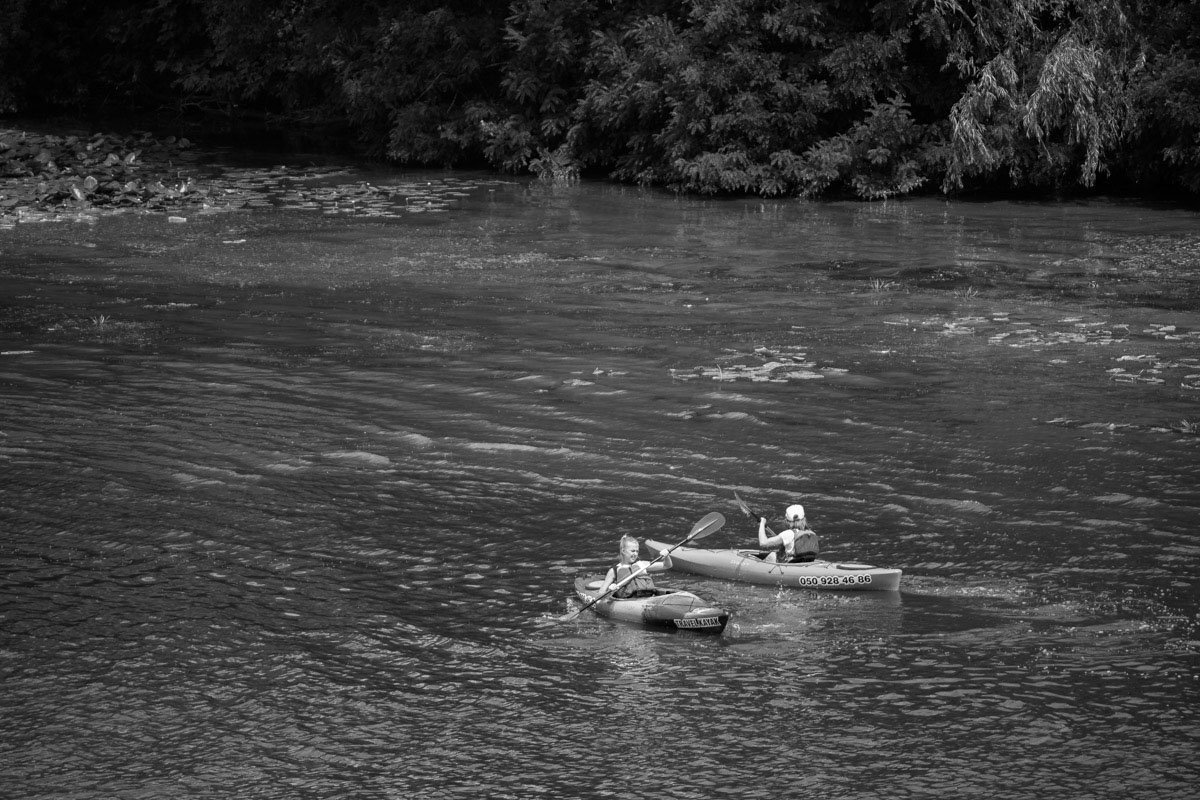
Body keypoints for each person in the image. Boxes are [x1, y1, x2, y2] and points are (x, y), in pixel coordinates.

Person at [600, 535, 672, 598]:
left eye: (637, 551)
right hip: (627, 602)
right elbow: (600, 593)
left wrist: (667, 556)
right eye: (632, 551)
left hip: (648, 598)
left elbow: (667, 565)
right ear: (623, 551)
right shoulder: (614, 571)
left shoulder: (642, 564)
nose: (635, 554)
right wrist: (611, 590)